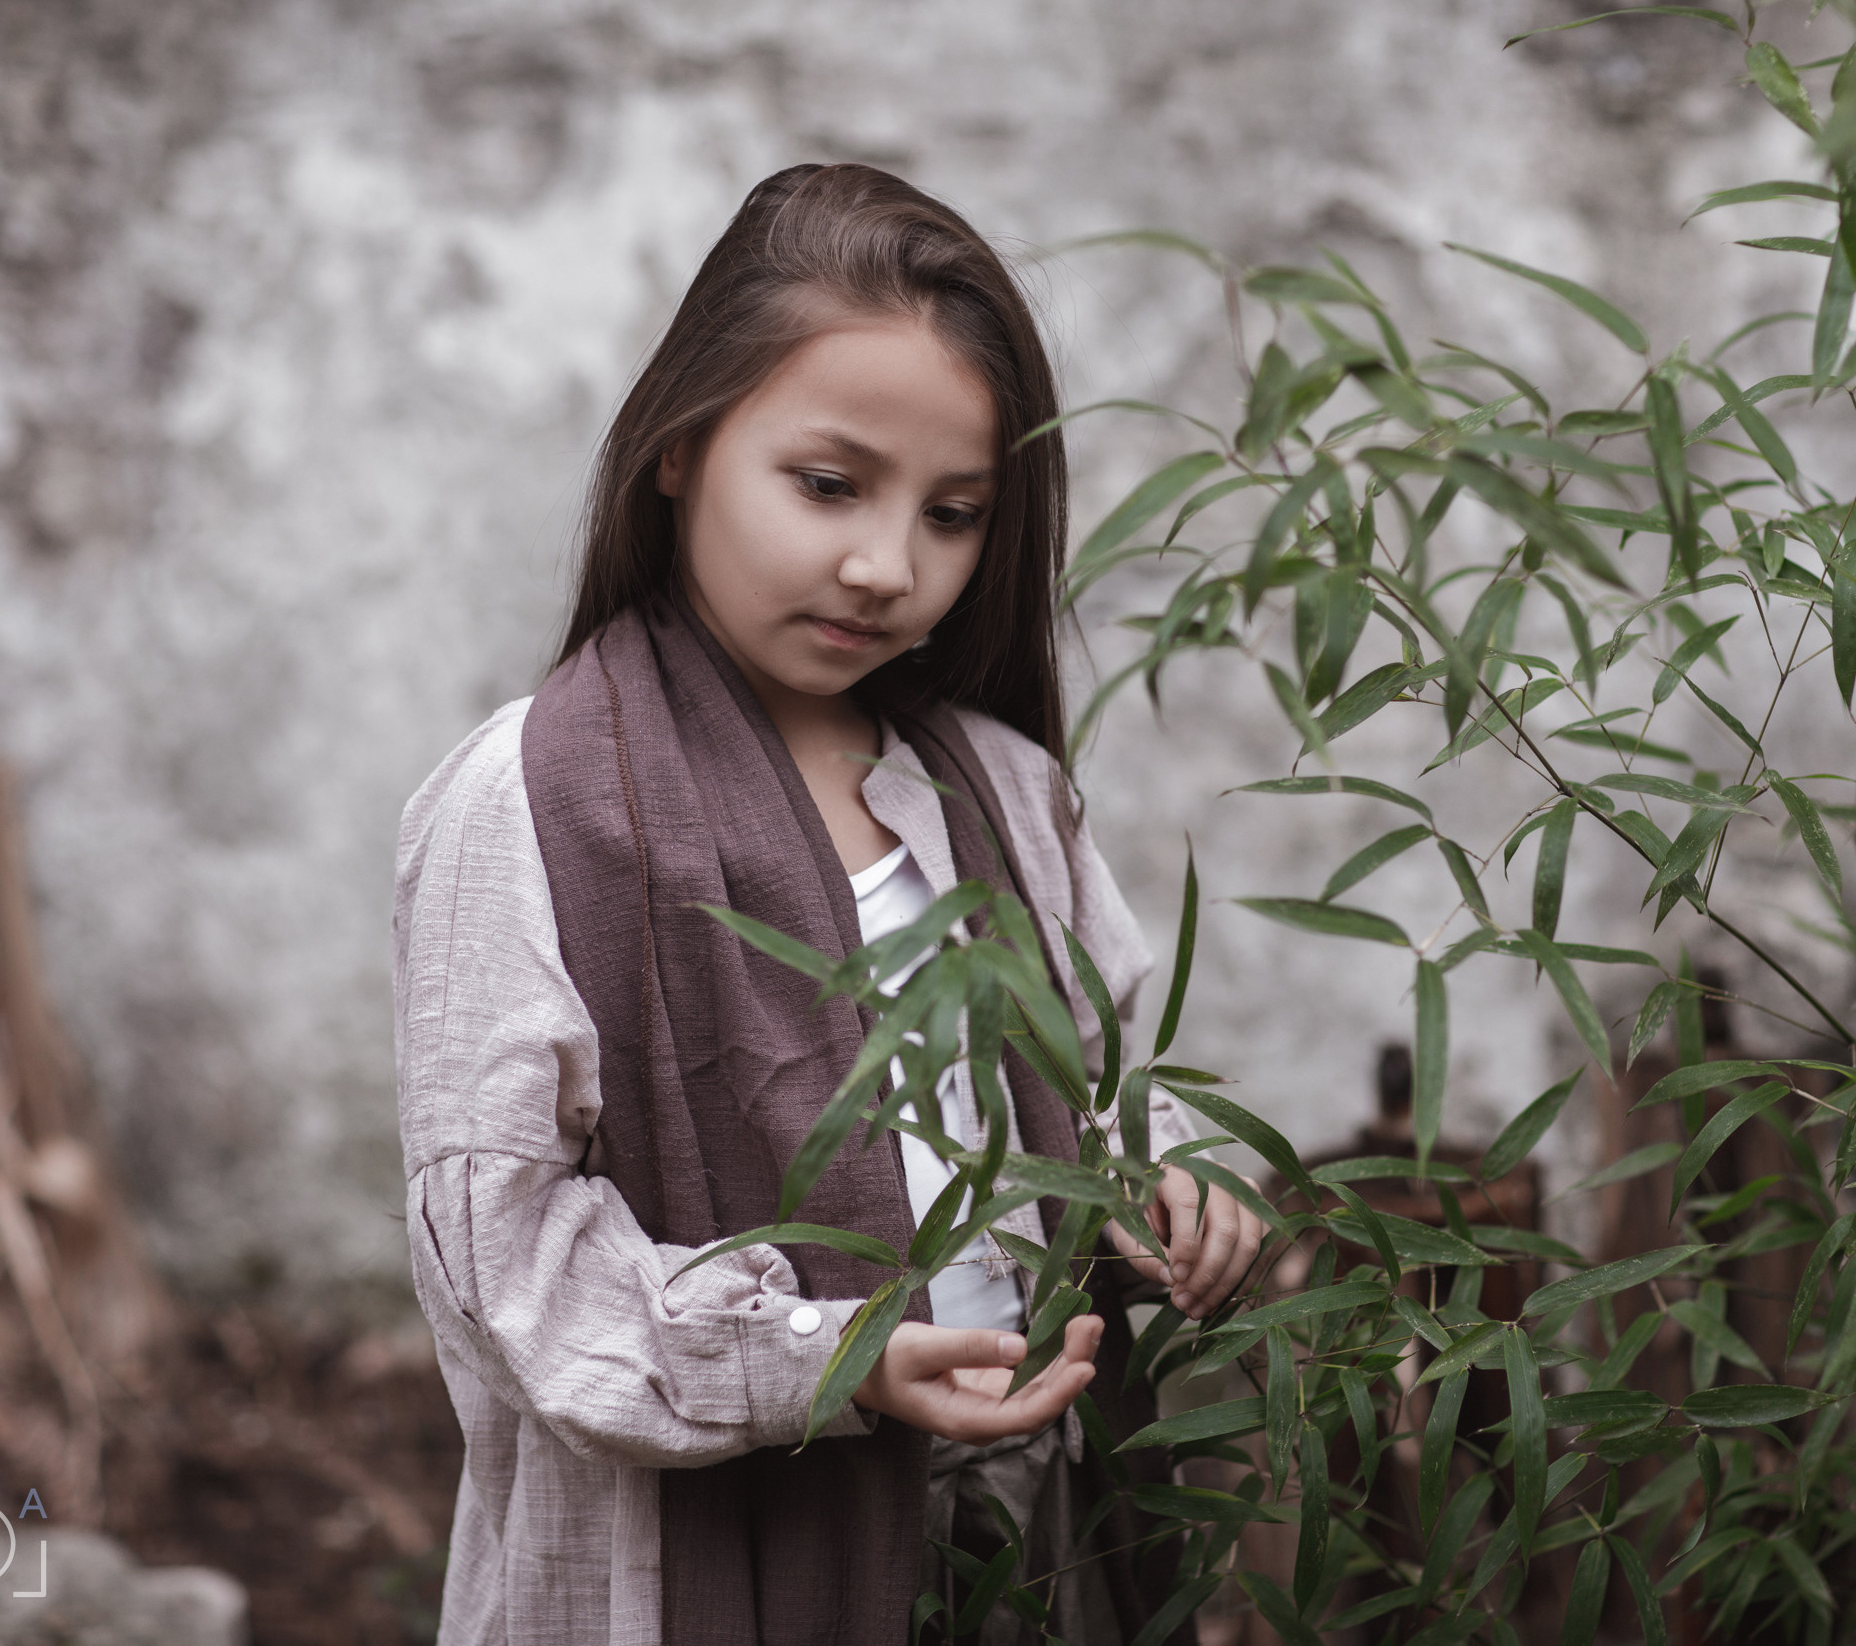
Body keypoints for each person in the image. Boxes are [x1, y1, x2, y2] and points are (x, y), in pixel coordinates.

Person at [392, 163, 1262, 1646]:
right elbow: (510, 1266)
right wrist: (835, 1361)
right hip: (694, 1558)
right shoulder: (525, 807)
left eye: (956, 513)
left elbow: (1108, 1081)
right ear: (680, 445)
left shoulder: (996, 788)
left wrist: (1176, 1187)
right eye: (829, 485)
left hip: (1021, 1522)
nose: (886, 567)